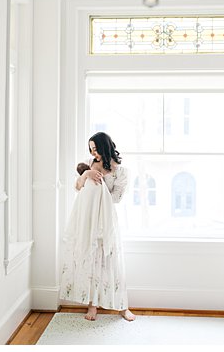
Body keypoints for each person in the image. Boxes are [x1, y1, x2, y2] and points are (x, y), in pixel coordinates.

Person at [59, 131, 136, 322]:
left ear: (104, 146)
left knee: (110, 260)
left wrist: (100, 186)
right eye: (91, 149)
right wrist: (86, 173)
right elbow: (77, 187)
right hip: (88, 219)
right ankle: (92, 305)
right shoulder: (89, 163)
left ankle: (122, 306)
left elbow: (116, 198)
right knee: (90, 258)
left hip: (105, 219)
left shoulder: (120, 171)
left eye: (96, 149)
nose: (93, 153)